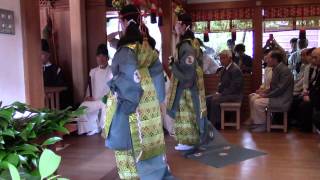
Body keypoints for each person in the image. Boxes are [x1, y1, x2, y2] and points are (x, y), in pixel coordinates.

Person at [103, 5, 173, 180]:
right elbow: (158, 75)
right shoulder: (147, 46)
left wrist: (126, 109)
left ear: (123, 22)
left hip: (131, 101)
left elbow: (127, 81)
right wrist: (157, 100)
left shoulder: (125, 50)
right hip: (149, 99)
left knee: (130, 144)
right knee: (150, 142)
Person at [167, 13, 214, 152]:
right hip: (194, 80)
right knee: (194, 109)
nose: (175, 27)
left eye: (177, 24)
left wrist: (173, 65)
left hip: (187, 82)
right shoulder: (194, 42)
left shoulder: (186, 45)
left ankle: (189, 140)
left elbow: (188, 67)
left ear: (183, 25)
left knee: (187, 110)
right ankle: (191, 139)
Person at [250, 50, 294, 132]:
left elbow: (280, 89)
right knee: (253, 97)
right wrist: (264, 92)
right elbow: (273, 87)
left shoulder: (284, 70)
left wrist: (265, 95)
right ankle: (256, 122)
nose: (266, 60)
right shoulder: (276, 68)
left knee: (257, 102)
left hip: (282, 100)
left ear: (275, 59)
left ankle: (262, 125)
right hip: (277, 97)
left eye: (268, 58)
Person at [77, 44, 113, 136]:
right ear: (96, 58)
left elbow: (114, 87)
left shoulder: (112, 70)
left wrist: (109, 96)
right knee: (82, 106)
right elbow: (90, 86)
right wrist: (87, 96)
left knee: (106, 104)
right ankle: (91, 128)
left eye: (103, 56)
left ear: (107, 57)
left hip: (107, 99)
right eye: (99, 56)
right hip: (95, 99)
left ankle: (104, 128)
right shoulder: (93, 71)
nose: (101, 59)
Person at [210, 50, 243, 128]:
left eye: (224, 58)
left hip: (235, 95)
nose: (221, 60)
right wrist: (218, 92)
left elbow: (234, 88)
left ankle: (217, 124)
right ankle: (208, 122)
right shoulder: (225, 68)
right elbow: (222, 84)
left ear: (230, 58)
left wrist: (221, 94)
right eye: (220, 58)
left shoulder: (235, 69)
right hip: (227, 94)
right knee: (207, 98)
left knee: (214, 100)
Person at [248, 50, 273, 125]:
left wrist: (263, 92)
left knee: (255, 100)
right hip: (266, 91)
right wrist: (260, 89)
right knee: (251, 96)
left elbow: (272, 87)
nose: (266, 60)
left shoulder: (275, 70)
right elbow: (264, 83)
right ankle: (253, 118)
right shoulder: (267, 69)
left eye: (268, 58)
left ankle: (261, 122)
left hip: (271, 94)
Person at [298, 48, 320, 132]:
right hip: (313, 94)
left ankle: (306, 128)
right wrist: (307, 93)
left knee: (305, 105)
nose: (313, 60)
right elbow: (313, 85)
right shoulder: (316, 68)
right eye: (312, 57)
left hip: (317, 99)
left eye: (315, 58)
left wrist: (310, 97)